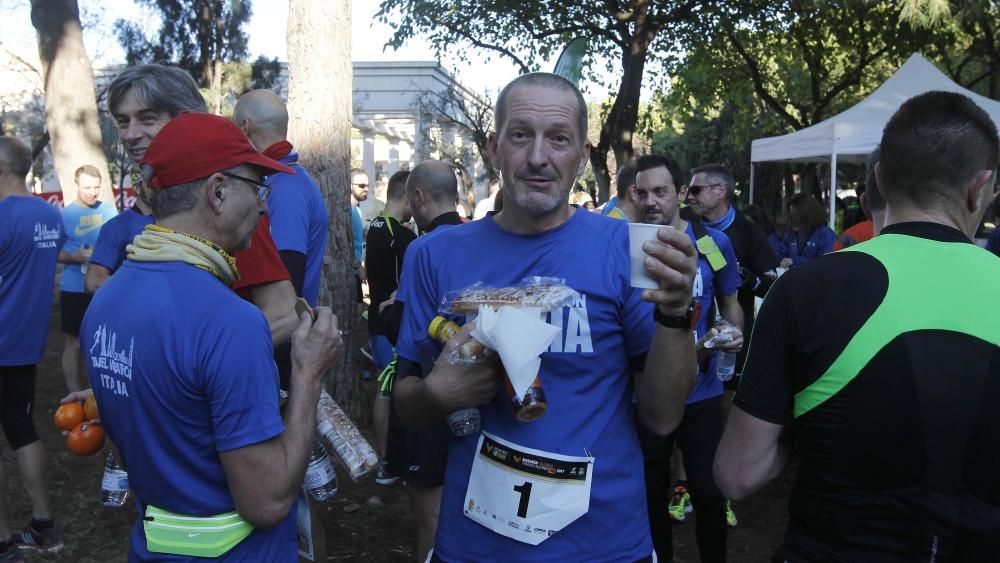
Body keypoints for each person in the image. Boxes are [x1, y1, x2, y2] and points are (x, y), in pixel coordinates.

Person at [392, 72, 698, 561]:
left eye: (558, 139)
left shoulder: (627, 249)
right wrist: (435, 395)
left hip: (604, 544)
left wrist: (677, 314)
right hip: (475, 546)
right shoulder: (433, 255)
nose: (538, 157)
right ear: (494, 148)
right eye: (520, 135)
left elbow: (662, 417)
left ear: (580, 154)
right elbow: (405, 401)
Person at [715, 91, 1000, 561]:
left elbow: (737, 473)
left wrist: (805, 422)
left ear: (881, 178)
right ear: (980, 187)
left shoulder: (805, 289)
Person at [81, 112, 343, 562]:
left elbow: (133, 452)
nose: (263, 207)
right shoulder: (230, 322)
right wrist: (307, 374)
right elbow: (267, 502)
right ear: (218, 191)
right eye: (258, 188)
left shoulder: (105, 303)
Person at [87, 64, 299, 346]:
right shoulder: (158, 197)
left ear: (187, 121)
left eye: (148, 118)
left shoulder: (225, 204)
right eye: (123, 121)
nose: (129, 135)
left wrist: (193, 372)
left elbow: (283, 314)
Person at [633, 154, 742, 562]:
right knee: (650, 494)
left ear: (679, 194)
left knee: (709, 492)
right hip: (642, 395)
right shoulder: (628, 247)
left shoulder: (712, 244)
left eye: (660, 191)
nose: (651, 201)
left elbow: (730, 303)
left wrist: (734, 331)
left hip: (702, 392)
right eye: (641, 193)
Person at [382, 159, 465, 559]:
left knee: (429, 510)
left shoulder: (421, 247)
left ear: (417, 197)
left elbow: (410, 334)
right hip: (477, 392)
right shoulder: (481, 240)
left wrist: (386, 311)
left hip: (427, 389)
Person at [0, 137, 66, 560]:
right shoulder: (51, 216)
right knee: (22, 430)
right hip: (25, 343)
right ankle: (44, 525)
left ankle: (3, 539)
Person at [233, 89, 329, 308]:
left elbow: (287, 280)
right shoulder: (283, 179)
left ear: (245, 127)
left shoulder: (285, 187)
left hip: (280, 334)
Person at [684, 164, 778, 378]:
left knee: (725, 402)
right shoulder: (682, 221)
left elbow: (772, 286)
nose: (689, 196)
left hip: (731, 338)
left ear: (720, 190)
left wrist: (742, 275)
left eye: (696, 190)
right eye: (688, 190)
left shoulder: (748, 229)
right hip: (689, 336)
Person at [364, 170, 416, 486]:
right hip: (391, 324)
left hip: (376, 320)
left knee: (385, 389)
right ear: (408, 196)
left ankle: (386, 458)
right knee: (390, 391)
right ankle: (389, 460)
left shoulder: (375, 226)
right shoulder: (401, 235)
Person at [58, 165, 117, 392]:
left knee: (100, 344)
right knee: (73, 344)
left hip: (103, 287)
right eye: (87, 188)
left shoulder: (110, 212)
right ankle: (74, 395)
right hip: (73, 288)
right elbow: (54, 254)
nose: (92, 192)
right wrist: (74, 256)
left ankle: (99, 396)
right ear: (76, 186)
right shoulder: (64, 215)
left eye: (96, 187)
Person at [774, 193, 837, 268]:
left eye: (797, 216)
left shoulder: (826, 236)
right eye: (791, 215)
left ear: (808, 215)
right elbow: (780, 254)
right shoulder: (791, 235)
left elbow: (826, 264)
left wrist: (795, 261)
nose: (793, 220)